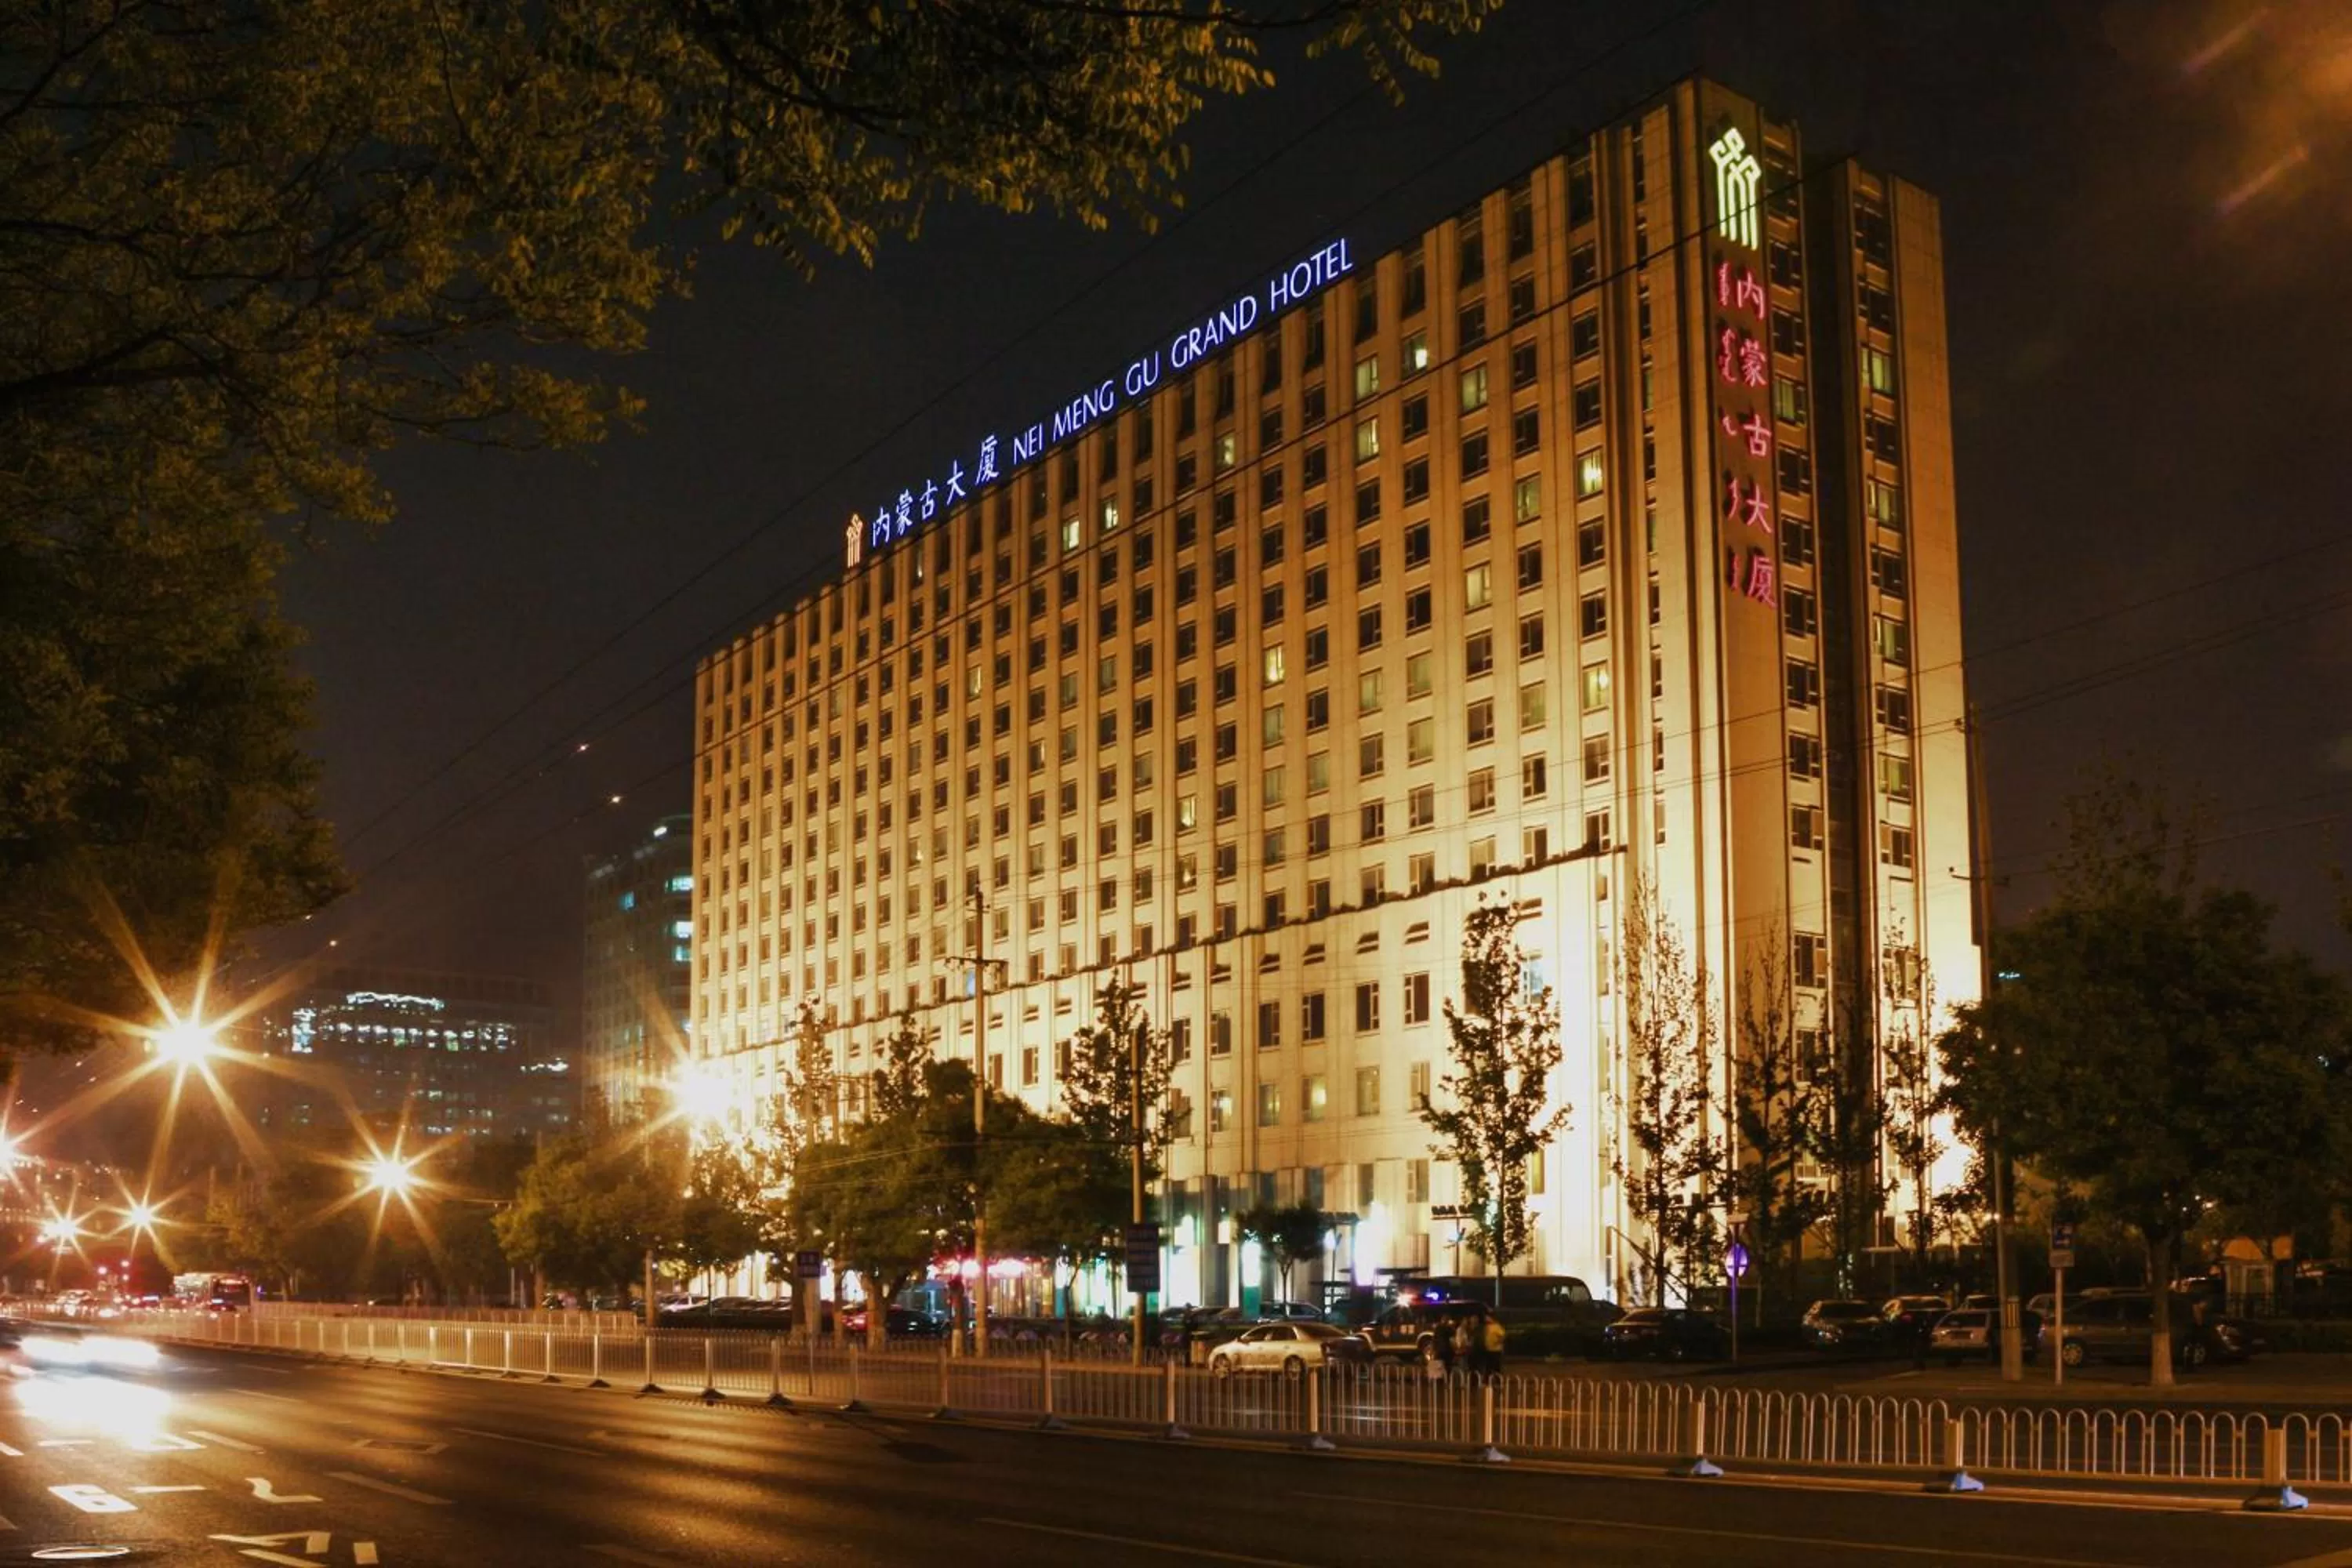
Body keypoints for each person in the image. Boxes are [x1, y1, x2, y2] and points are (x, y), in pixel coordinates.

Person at [1479, 1308, 1507, 1376]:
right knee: (1488, 1367)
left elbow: (1503, 1336)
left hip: (1496, 1350)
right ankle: (1487, 1381)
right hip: (1488, 1349)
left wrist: (1497, 1342)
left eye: (1487, 1317)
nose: (1485, 1318)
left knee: (1496, 1367)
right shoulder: (1486, 1327)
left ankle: (1498, 1381)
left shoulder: (1496, 1326)